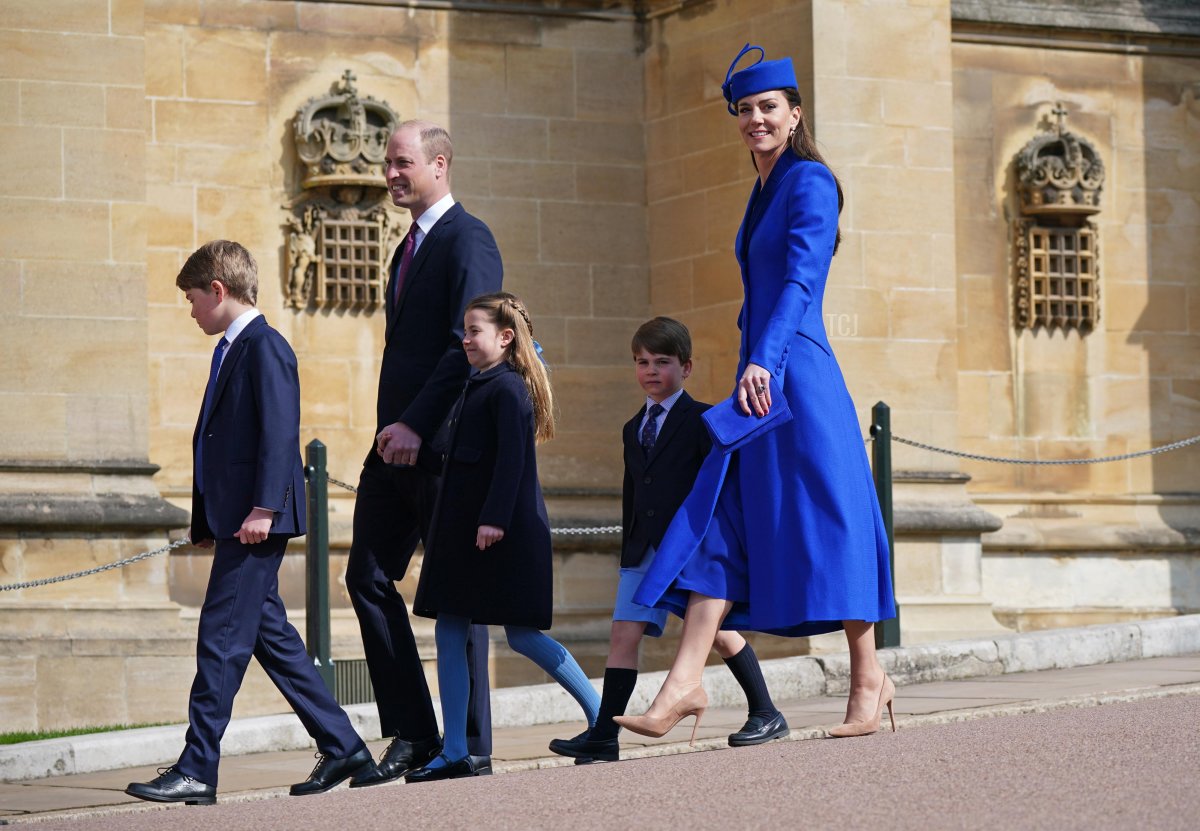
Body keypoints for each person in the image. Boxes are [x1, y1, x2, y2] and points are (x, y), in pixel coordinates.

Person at [615, 44, 898, 744]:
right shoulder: (761, 187)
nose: (755, 120)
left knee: (833, 522)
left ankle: (869, 678)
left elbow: (801, 283)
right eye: (744, 110)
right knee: (717, 520)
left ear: (794, 111)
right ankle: (684, 682)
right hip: (763, 374)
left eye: (768, 107)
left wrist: (764, 362)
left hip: (797, 376)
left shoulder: (809, 182)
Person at [126, 241, 374, 806]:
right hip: (237, 520)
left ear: (217, 290)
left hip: (256, 520)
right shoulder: (232, 349)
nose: (189, 311)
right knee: (272, 639)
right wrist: (204, 519)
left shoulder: (265, 347)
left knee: (218, 640)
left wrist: (264, 507)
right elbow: (214, 440)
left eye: (192, 299)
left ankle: (197, 768)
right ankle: (343, 746)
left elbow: (280, 432)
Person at [548, 317, 787, 763]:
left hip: (691, 546)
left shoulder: (703, 420)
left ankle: (766, 711)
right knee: (624, 634)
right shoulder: (631, 427)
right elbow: (632, 495)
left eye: (662, 361)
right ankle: (604, 735)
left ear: (686, 368)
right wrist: (628, 553)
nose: (651, 370)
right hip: (643, 548)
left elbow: (719, 489)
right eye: (642, 362)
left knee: (717, 633)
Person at [345, 120, 503, 787]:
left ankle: (468, 746)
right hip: (397, 445)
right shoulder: (405, 247)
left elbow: (465, 344)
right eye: (388, 164)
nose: (390, 174)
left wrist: (415, 423)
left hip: (443, 444)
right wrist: (393, 430)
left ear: (440, 163)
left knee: (454, 590)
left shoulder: (470, 238)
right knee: (366, 576)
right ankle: (414, 732)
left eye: (401, 163)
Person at [406, 292, 600, 781]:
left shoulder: (509, 388)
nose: (465, 339)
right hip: (463, 533)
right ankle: (454, 751)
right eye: (465, 331)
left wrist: (493, 519)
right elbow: (464, 457)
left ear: (505, 336)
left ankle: (604, 720)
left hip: (497, 533)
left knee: (523, 635)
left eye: (474, 331)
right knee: (449, 629)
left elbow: (514, 461)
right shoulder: (480, 384)